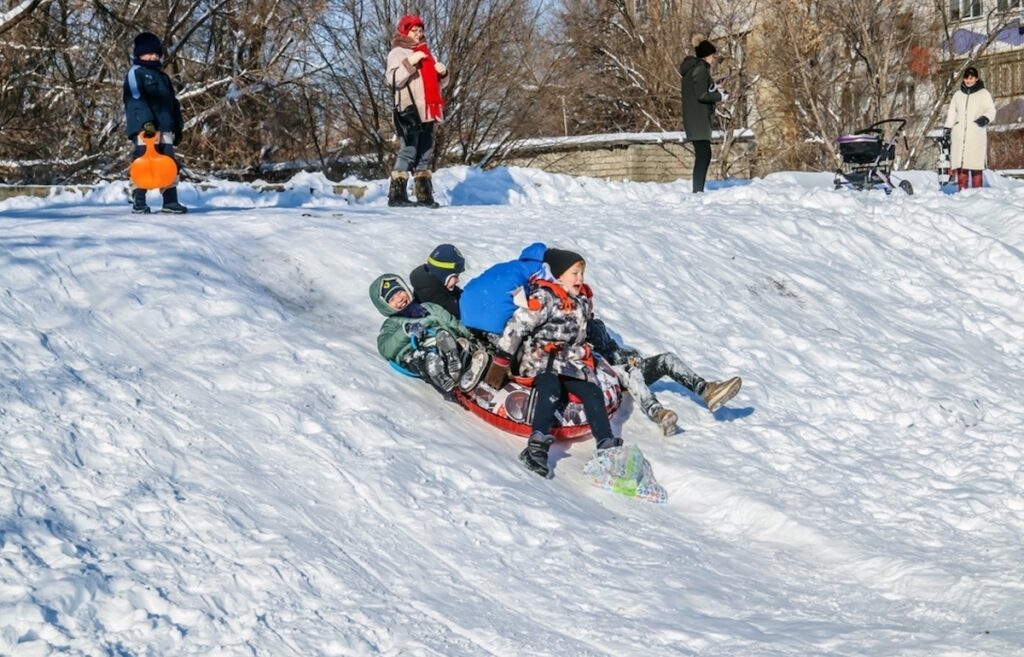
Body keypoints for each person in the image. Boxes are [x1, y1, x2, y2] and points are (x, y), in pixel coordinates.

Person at [483, 249, 622, 478]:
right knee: (550, 390)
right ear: (558, 276)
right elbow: (517, 326)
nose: (580, 279)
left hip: (573, 362)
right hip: (542, 360)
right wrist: (501, 361)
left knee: (591, 391)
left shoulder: (581, 301)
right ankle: (536, 447)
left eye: (582, 274)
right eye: (575, 273)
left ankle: (606, 445)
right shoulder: (544, 297)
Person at [586, 317, 742, 436]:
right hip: (611, 375)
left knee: (666, 359)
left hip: (627, 364)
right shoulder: (576, 329)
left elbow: (614, 348)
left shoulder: (592, 321)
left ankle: (707, 390)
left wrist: (631, 356)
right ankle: (658, 414)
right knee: (630, 373)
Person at [370, 273, 471, 399]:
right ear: (385, 307)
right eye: (392, 299)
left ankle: (455, 359)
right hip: (415, 351)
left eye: (400, 292)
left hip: (443, 340)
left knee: (446, 337)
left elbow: (453, 323)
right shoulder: (391, 324)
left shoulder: (429, 308)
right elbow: (385, 348)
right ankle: (441, 376)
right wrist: (406, 331)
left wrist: (471, 337)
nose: (399, 299)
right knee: (421, 358)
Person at [386, 15, 450, 208]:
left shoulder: (427, 53)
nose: (418, 34)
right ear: (405, 31)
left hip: (428, 110)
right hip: (409, 110)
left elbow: (436, 84)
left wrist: (443, 74)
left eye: (420, 30)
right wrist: (410, 62)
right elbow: (393, 79)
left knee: (425, 152)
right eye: (414, 30)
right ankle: (396, 195)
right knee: (408, 150)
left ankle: (424, 195)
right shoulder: (397, 52)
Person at [123, 32, 187, 214]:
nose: (153, 56)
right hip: (146, 128)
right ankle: (139, 200)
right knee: (144, 162)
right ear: (139, 54)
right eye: (148, 53)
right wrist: (146, 123)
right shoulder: (135, 74)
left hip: (165, 127)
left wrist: (177, 127)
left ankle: (170, 201)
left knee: (169, 164)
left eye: (156, 53)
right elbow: (136, 99)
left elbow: (173, 104)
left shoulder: (163, 77)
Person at [459, 242, 547, 337]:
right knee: (531, 328)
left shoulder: (504, 266)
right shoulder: (539, 271)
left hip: (466, 316)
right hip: (498, 325)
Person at [679, 38, 727, 193]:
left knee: (704, 154)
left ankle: (698, 190)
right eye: (713, 56)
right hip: (698, 120)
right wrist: (720, 97)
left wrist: (716, 86)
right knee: (704, 154)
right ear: (706, 56)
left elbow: (702, 89)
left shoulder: (695, 69)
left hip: (695, 118)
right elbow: (701, 95)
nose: (714, 59)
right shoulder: (700, 70)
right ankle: (697, 191)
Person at [944, 65, 996, 191]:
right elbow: (952, 112)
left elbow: (991, 110)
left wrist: (984, 118)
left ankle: (977, 194)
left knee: (976, 165)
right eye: (966, 78)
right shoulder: (958, 95)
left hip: (975, 134)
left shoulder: (983, 94)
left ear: (976, 79)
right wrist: (948, 127)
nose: (968, 81)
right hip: (959, 135)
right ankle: (962, 193)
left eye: (971, 78)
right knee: (961, 166)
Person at [409, 243, 466, 318]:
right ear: (443, 275)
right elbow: (458, 311)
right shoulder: (431, 293)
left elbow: (458, 294)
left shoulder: (437, 283)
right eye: (455, 276)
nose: (458, 280)